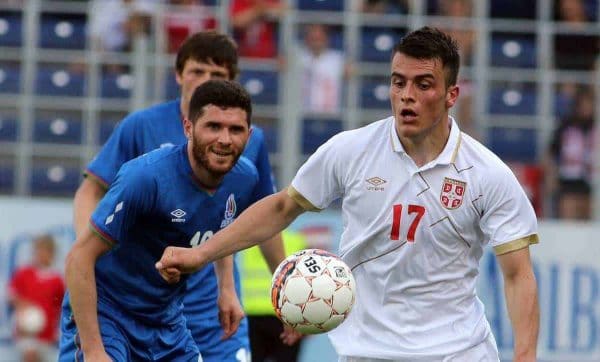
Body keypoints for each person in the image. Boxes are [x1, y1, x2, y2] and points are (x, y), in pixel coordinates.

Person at [156, 27, 540, 361]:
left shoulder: (487, 174)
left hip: (457, 351)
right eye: (398, 81)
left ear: (451, 94)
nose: (406, 95)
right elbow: (281, 207)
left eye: (423, 84)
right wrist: (201, 254)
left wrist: (525, 357)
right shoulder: (351, 150)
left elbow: (518, 274)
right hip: (367, 350)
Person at [71, 31, 291, 361]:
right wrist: (92, 243)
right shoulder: (142, 130)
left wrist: (267, 289)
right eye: (197, 71)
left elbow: (251, 217)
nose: (205, 81)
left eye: (217, 75)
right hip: (128, 296)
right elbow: (90, 196)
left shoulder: (247, 150)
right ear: (179, 74)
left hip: (201, 307)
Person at [239, 230, 307, 362]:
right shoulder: (298, 241)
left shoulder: (248, 241)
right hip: (285, 312)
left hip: (252, 314)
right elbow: (306, 283)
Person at [8, 234, 65, 362]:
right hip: (26, 332)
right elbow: (12, 295)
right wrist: (23, 306)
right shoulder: (24, 273)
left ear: (52, 253)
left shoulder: (56, 279)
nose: (41, 254)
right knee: (30, 356)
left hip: (47, 333)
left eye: (45, 251)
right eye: (38, 250)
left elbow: (61, 305)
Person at [545, 86, 596, 220]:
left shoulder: (595, 126)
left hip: (592, 181)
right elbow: (552, 152)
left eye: (590, 104)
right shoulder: (565, 126)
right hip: (569, 180)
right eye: (584, 104)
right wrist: (551, 176)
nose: (587, 108)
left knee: (589, 222)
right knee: (568, 221)